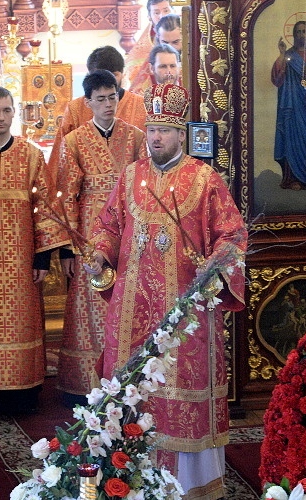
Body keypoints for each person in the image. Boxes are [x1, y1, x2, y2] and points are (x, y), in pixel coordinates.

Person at [85, 82, 247, 500]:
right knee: (130, 388)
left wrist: (215, 264)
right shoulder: (130, 176)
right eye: (152, 129)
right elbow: (108, 225)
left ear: (181, 134)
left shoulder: (205, 179)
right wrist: (100, 254)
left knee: (178, 388)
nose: (156, 137)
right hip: (132, 309)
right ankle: (124, 478)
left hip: (184, 313)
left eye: (165, 131)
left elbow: (232, 235)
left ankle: (190, 486)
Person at [0, 86, 68, 415]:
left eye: (6, 110)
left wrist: (42, 258)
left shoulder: (31, 155)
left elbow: (44, 208)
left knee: (22, 324)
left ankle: (24, 392)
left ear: (14, 113)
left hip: (22, 262)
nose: (1, 117)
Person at [54, 70, 147, 403]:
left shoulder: (136, 137)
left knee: (124, 302)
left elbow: (144, 188)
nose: (108, 104)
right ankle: (85, 386)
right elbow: (66, 197)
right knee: (89, 304)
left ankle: (125, 381)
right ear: (88, 102)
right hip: (88, 234)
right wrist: (69, 249)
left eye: (113, 97)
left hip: (127, 230)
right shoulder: (74, 141)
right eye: (101, 99)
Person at [45, 45, 147, 189]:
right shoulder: (76, 108)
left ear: (123, 73)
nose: (106, 80)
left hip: (129, 194)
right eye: (100, 99)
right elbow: (60, 163)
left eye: (114, 75)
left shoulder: (141, 106)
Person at [272, 20, 306, 192]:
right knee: (292, 139)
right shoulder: (288, 55)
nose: (302, 35)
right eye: (299, 32)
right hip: (292, 106)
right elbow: (277, 79)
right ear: (294, 34)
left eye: (305, 31)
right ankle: (291, 179)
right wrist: (282, 54)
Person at [128, 0, 174, 95]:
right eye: (156, 13)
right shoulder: (143, 48)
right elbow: (132, 78)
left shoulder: (187, 36)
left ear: (173, 11)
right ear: (149, 17)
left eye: (166, 10)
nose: (162, 16)